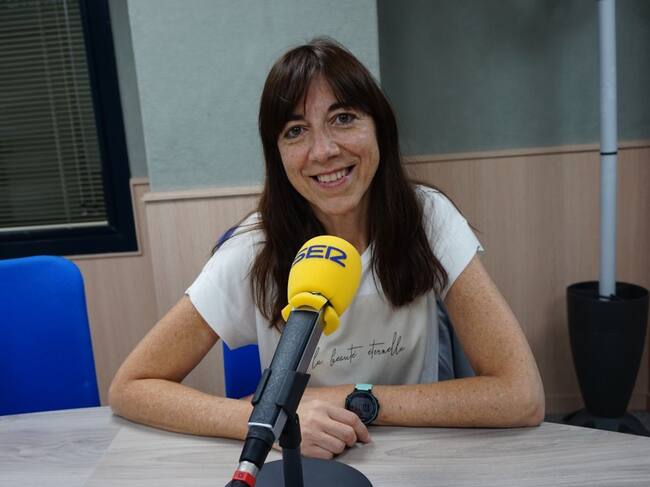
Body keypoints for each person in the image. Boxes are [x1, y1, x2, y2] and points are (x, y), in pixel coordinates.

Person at [109, 38, 545, 460]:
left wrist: (352, 399)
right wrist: (267, 417)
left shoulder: (429, 218)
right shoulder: (253, 248)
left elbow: (520, 395)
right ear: (277, 155)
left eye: (343, 118)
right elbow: (131, 386)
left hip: (419, 458)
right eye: (296, 131)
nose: (323, 151)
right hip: (303, 461)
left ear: (379, 127)